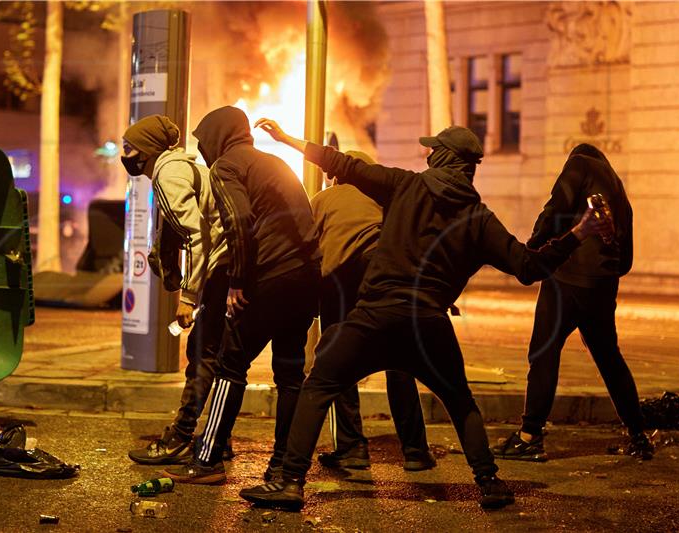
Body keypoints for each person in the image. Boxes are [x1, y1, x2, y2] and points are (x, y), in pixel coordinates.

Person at [238, 120, 610, 510]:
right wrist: (581, 232)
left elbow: (343, 165)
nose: (427, 154)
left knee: (318, 387)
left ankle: (291, 483)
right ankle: (489, 483)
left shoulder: (407, 185)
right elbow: (529, 266)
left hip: (374, 317)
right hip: (429, 327)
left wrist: (285, 140)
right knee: (460, 400)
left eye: (433, 150)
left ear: (445, 156)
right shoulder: (479, 219)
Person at [160, 106, 320, 485]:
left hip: (271, 277)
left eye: (204, 142)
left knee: (230, 366)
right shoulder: (271, 162)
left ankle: (207, 460)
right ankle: (282, 466)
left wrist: (237, 280)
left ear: (219, 136)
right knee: (290, 373)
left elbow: (238, 221)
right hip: (307, 278)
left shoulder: (227, 166)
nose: (202, 152)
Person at [492, 143, 654, 461]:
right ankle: (639, 436)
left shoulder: (579, 164)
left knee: (544, 351)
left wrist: (533, 249)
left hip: (566, 281)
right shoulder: (620, 194)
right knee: (610, 359)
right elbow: (627, 261)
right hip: (603, 287)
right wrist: (604, 273)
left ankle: (529, 436)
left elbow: (556, 209)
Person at [313, 150, 436, 472]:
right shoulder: (385, 198)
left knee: (336, 361)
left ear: (338, 175)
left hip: (341, 278)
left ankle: (352, 447)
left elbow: (308, 245)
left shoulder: (325, 198)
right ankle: (415, 451)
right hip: (385, 273)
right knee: (400, 363)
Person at [120, 115, 232, 465]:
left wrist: (188, 296)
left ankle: (181, 436)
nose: (125, 154)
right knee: (223, 357)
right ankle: (216, 439)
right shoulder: (184, 167)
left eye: (129, 147)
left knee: (202, 353)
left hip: (221, 269)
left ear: (148, 149)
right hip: (229, 266)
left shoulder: (168, 175)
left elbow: (198, 235)